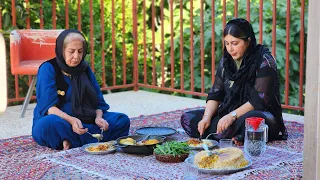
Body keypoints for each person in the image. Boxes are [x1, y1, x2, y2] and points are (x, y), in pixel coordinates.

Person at [180, 18, 287, 145]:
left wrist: (232, 116)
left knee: (254, 119)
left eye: (235, 43)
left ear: (248, 41)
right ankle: (232, 135)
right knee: (189, 118)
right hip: (230, 112)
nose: (230, 49)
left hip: (258, 115)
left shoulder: (264, 61)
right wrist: (206, 117)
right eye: (227, 43)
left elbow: (259, 100)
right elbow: (216, 93)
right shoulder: (226, 61)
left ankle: (232, 134)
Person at [32, 29, 130, 150]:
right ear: (61, 50)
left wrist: (98, 117)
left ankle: (71, 141)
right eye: (71, 51)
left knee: (122, 120)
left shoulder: (84, 68)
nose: (76, 56)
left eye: (80, 51)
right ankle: (91, 139)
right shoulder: (48, 68)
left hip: (88, 120)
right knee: (46, 125)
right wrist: (71, 120)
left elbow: (98, 102)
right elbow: (48, 108)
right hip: (63, 121)